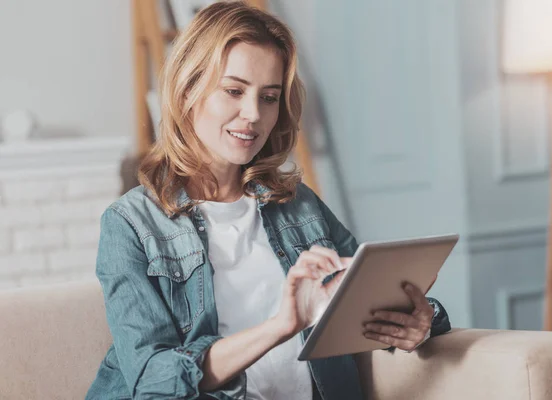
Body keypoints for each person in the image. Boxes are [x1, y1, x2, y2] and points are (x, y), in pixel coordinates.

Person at [85, 2, 450, 399]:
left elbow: (367, 296)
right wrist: (280, 325)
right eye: (234, 91)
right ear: (188, 89)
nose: (253, 114)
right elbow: (153, 379)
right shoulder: (131, 223)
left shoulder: (298, 206)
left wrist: (421, 321)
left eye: (269, 97)